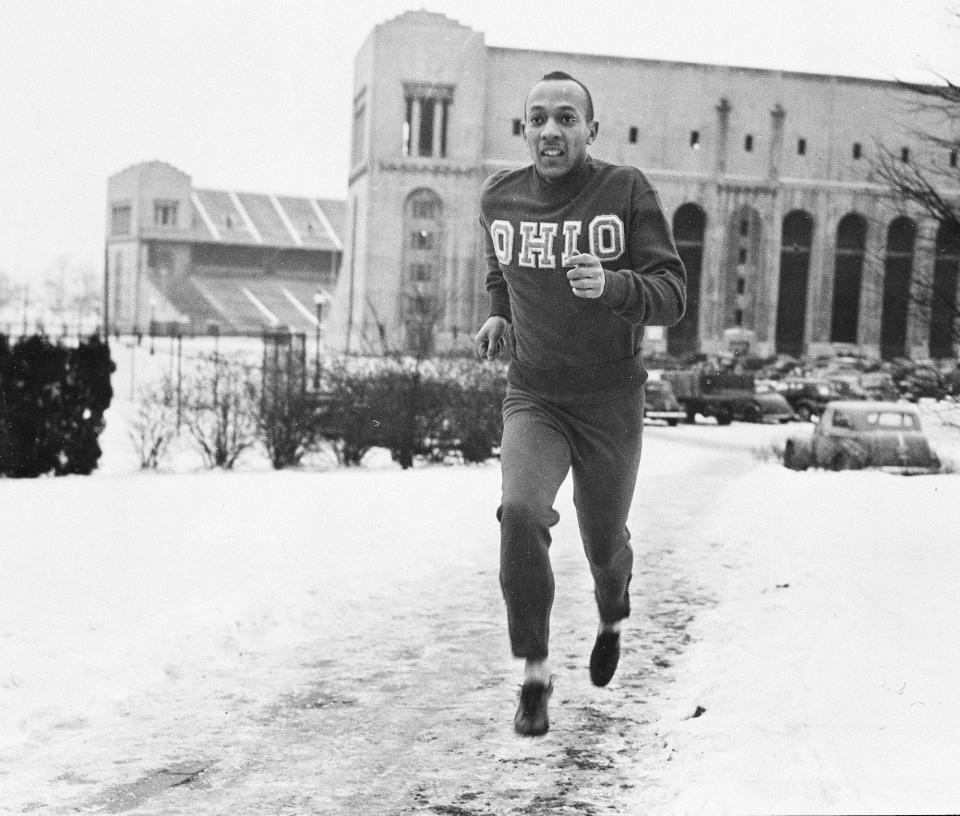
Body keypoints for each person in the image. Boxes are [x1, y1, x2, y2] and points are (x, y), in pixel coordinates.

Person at [475, 71, 686, 737]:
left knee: (602, 543)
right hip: (534, 393)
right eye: (537, 118)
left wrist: (616, 284)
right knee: (522, 513)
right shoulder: (499, 198)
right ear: (524, 129)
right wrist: (497, 312)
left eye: (566, 118)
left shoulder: (625, 190)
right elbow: (499, 264)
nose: (549, 131)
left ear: (591, 130)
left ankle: (613, 606)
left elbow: (672, 291)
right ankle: (534, 674)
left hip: (610, 400)